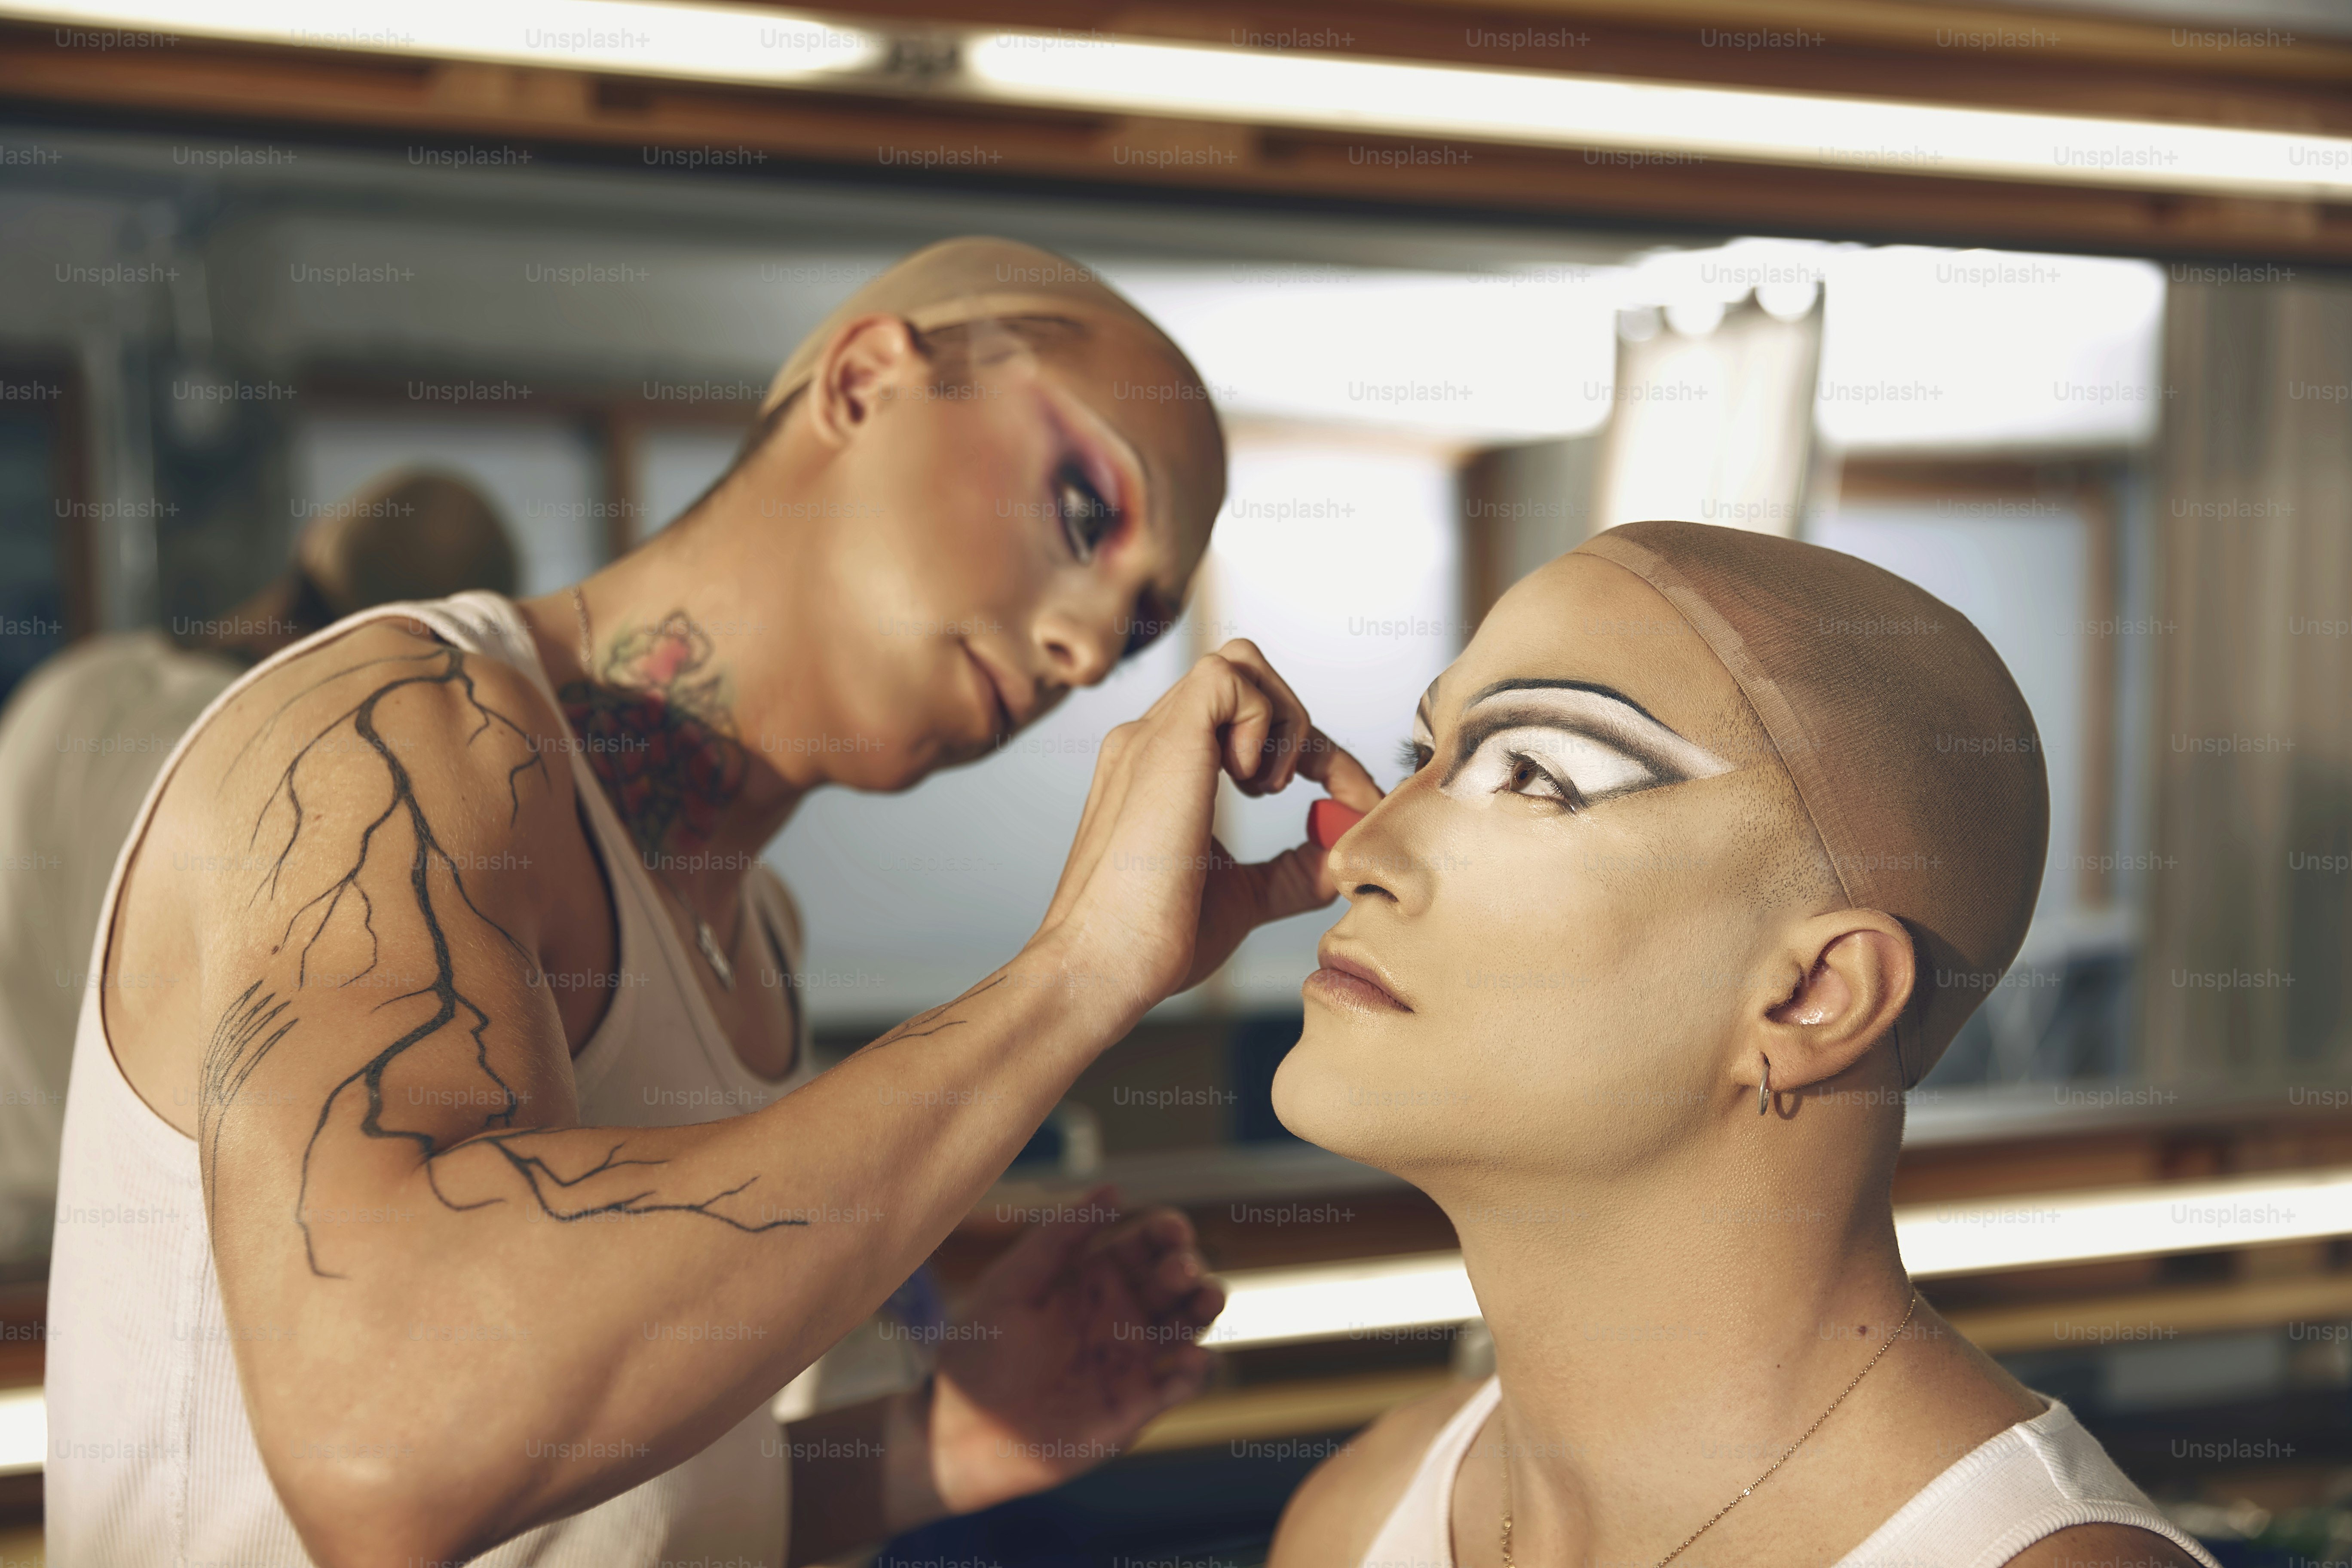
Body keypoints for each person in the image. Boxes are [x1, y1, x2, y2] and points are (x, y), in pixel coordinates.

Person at [44, 237, 1382, 1568]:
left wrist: (941, 1446)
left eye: (1138, 629)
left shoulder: (754, 940)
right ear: (865, 383)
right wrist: (1075, 977)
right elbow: (389, 1440)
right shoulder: (393, 731)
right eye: (1084, 512)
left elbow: (621, 1515)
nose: (1086, 652)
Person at [1266, 521, 2218, 1568]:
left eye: (1532, 772)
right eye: (1420, 757)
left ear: (1815, 995)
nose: (1357, 854)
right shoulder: (1358, 1516)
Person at [0, 470, 514, 1269]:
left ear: (308, 546)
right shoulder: (285, 769)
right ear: (428, 644)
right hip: (137, 1252)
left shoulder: (73, 683)